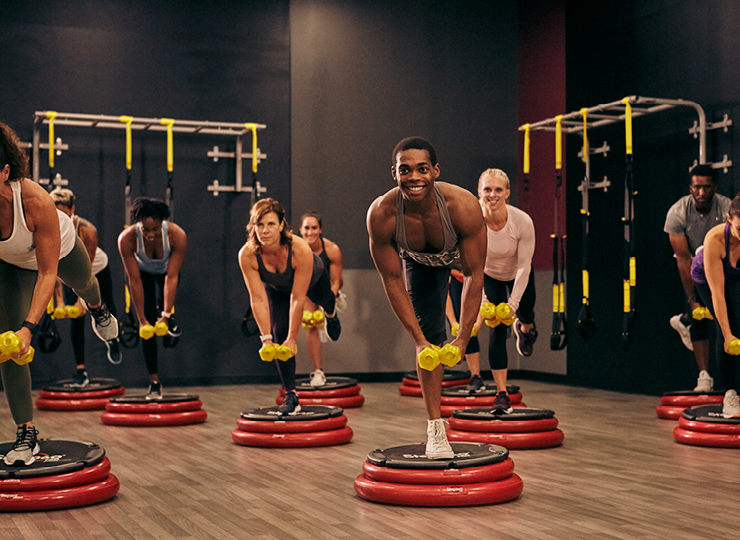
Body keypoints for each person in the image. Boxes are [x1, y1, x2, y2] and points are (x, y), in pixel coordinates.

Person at [0, 121, 118, 466]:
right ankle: (27, 431)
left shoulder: (35, 200)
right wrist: (16, 331)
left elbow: (48, 272)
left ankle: (99, 311)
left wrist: (29, 327)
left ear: (5, 171)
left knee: (85, 285)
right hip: (10, 263)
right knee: (9, 346)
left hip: (60, 251)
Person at [367, 136, 486, 459]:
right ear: (394, 173)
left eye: (422, 169)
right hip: (420, 265)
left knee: (493, 279)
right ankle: (436, 427)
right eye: (405, 170)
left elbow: (476, 274)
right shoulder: (382, 213)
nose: (414, 177)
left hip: (462, 256)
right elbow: (392, 280)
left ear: (435, 170)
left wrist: (462, 336)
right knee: (431, 339)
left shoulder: (463, 206)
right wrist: (418, 340)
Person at [239, 199, 341, 414]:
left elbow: (298, 298)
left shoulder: (299, 249)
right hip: (277, 290)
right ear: (253, 227)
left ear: (282, 225)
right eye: (259, 225)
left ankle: (331, 314)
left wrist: (293, 339)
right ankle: (291, 395)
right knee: (279, 334)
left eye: (270, 224)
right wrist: (266, 339)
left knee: (326, 300)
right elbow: (257, 299)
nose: (265, 231)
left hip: (313, 278)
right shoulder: (247, 254)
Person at [665, 164, 730, 392]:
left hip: (723, 264)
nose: (701, 192)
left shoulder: (726, 209)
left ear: (714, 188)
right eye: (697, 187)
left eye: (706, 187)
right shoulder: (678, 212)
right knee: (699, 313)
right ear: (690, 188)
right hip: (696, 266)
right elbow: (683, 258)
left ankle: (683, 320)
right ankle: (704, 376)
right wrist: (692, 297)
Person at [478, 168, 537, 413]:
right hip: (488, 275)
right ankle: (501, 395)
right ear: (479, 193)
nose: (493, 194)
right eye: (487, 189)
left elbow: (524, 266)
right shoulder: (473, 221)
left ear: (507, 193)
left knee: (526, 318)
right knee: (497, 331)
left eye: (498, 190)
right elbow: (472, 265)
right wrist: (483, 302)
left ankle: (525, 329)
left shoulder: (521, 221)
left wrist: (512, 305)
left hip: (518, 274)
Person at [50, 187, 122, 386]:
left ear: (72, 209)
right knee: (76, 319)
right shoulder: (47, 226)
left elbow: (85, 272)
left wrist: (81, 301)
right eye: (55, 211)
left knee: (106, 306)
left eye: (63, 211)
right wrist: (61, 301)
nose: (59, 216)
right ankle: (81, 371)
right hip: (66, 271)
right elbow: (52, 266)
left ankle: (112, 338)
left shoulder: (87, 231)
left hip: (95, 268)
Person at [117, 198, 186, 398]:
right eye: (145, 230)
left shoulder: (177, 235)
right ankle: (154, 381)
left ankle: (167, 317)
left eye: (155, 229)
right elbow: (134, 280)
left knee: (164, 306)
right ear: (138, 224)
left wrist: (165, 314)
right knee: (147, 326)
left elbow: (171, 278)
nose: (150, 234)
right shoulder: (127, 239)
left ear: (162, 223)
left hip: (167, 272)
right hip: (142, 273)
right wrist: (142, 321)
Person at [691, 193, 740, 418]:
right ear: (729, 219)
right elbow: (718, 294)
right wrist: (729, 335)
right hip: (705, 274)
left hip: (732, 273)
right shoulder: (715, 239)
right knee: (726, 327)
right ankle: (730, 395)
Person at [299, 211, 344, 386]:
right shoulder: (296, 250)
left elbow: (336, 281)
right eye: (306, 228)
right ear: (301, 230)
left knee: (338, 288)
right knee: (311, 323)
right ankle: (318, 371)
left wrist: (329, 303)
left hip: (328, 287)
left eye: (314, 228)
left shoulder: (331, 249)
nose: (310, 232)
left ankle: (335, 305)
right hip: (307, 288)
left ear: (320, 229)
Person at [445, 270, 484, 391]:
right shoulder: (448, 273)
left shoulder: (478, 270)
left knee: (469, 330)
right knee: (461, 326)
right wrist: (453, 322)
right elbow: (444, 296)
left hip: (474, 277)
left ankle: (476, 376)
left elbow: (484, 296)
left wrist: (478, 323)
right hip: (457, 278)